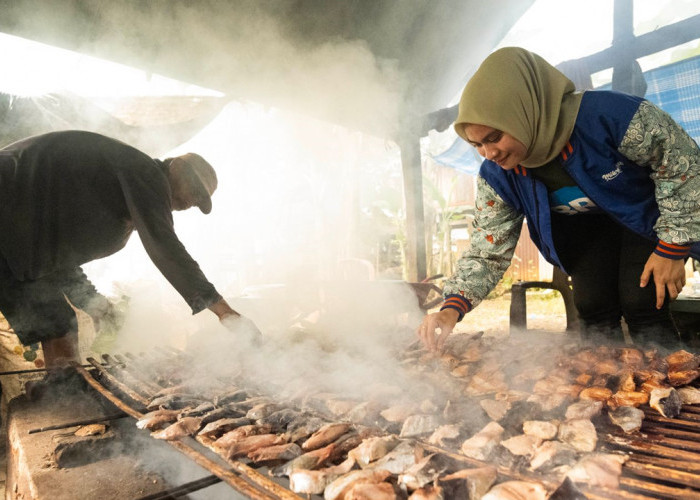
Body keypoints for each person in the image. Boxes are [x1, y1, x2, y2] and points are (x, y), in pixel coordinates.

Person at [418, 47, 700, 352]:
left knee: (643, 300)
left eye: (494, 137)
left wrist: (673, 247)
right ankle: (606, 387)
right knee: (593, 306)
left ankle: (668, 385)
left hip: (645, 219)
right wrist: (452, 308)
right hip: (584, 231)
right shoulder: (497, 175)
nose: (489, 153)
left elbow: (684, 168)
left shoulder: (614, 117)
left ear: (523, 112)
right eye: (477, 145)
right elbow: (488, 247)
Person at [0, 130, 260, 369]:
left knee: (56, 319)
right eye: (195, 191)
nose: (191, 202)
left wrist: (93, 302)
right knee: (55, 321)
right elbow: (164, 245)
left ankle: (60, 389)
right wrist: (225, 312)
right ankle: (61, 391)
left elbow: (58, 256)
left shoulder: (124, 193)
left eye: (198, 201)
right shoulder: (146, 172)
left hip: (16, 236)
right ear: (176, 166)